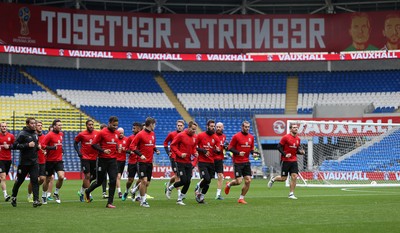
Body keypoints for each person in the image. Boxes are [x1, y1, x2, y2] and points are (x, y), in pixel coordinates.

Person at [84, 116, 120, 208]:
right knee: (99, 182)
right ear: (109, 123)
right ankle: (87, 191)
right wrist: (103, 150)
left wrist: (118, 148)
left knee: (113, 180)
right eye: (113, 125)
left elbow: (115, 144)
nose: (115, 127)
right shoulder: (102, 133)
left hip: (113, 160)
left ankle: (109, 203)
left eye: (116, 125)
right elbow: (93, 144)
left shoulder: (117, 133)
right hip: (102, 160)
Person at [224, 121, 259, 204]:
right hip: (237, 162)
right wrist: (238, 153)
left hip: (246, 162)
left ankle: (241, 198)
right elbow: (229, 148)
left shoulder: (251, 137)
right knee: (238, 181)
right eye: (245, 127)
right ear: (242, 127)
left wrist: (253, 153)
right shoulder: (236, 136)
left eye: (248, 127)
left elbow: (251, 149)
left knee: (248, 181)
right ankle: (229, 185)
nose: (247, 128)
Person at [268, 123, 305, 200]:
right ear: (290, 129)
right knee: (283, 178)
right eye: (294, 127)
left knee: (294, 176)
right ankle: (273, 179)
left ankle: (291, 194)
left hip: (294, 160)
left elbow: (296, 151)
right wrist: (284, 154)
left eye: (297, 127)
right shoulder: (285, 137)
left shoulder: (298, 139)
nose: (296, 129)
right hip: (285, 160)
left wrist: (300, 152)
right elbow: (278, 147)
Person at [10, 117, 42, 207]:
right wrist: (27, 145)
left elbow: (34, 146)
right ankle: (14, 196)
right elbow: (15, 146)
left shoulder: (35, 134)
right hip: (24, 163)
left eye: (35, 123)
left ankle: (36, 200)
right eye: (32, 123)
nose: (34, 125)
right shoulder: (22, 134)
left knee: (35, 180)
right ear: (27, 124)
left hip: (34, 162)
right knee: (20, 180)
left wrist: (37, 147)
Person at [166, 121, 198, 206]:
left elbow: (194, 147)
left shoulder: (195, 137)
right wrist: (180, 154)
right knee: (183, 180)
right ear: (188, 127)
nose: (194, 131)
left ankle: (180, 199)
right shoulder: (181, 135)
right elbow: (173, 145)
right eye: (193, 129)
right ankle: (170, 188)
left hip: (189, 162)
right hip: (180, 161)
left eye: (195, 130)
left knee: (188, 182)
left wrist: (195, 152)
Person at [129, 117, 159, 208]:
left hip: (150, 162)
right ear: (151, 124)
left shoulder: (153, 134)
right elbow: (132, 146)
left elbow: (152, 145)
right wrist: (140, 154)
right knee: (144, 181)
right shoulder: (140, 134)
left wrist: (156, 150)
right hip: (141, 161)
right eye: (154, 124)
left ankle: (134, 190)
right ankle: (143, 201)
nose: (155, 126)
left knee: (147, 183)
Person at [194, 120, 220, 204]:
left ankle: (201, 197)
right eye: (211, 126)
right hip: (202, 161)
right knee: (206, 178)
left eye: (214, 126)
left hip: (211, 162)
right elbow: (194, 147)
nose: (213, 128)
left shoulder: (216, 138)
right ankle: (198, 186)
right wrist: (203, 151)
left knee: (209, 181)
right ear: (207, 126)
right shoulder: (201, 136)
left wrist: (217, 150)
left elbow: (217, 150)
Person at [41, 119, 65, 204]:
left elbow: (59, 145)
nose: (60, 127)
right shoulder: (49, 135)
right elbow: (42, 145)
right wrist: (51, 148)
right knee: (47, 179)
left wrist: (62, 150)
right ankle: (44, 195)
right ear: (54, 126)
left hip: (59, 160)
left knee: (61, 177)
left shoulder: (61, 134)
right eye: (58, 125)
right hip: (50, 161)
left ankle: (56, 193)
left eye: (61, 125)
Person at [74, 120, 98, 202]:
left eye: (92, 124)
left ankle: (81, 191)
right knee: (87, 176)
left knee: (94, 176)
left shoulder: (97, 133)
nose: (91, 126)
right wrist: (78, 152)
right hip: (85, 157)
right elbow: (75, 143)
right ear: (86, 125)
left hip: (94, 158)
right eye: (89, 125)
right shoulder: (82, 134)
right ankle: (88, 195)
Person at [163, 120, 185, 199]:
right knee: (177, 175)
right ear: (176, 126)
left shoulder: (185, 135)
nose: (179, 126)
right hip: (174, 157)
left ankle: (168, 183)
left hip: (182, 158)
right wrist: (168, 152)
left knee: (179, 175)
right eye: (178, 125)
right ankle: (179, 193)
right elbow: (165, 142)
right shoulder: (172, 134)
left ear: (183, 126)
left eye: (181, 125)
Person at [121, 122, 142, 201]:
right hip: (132, 161)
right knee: (130, 180)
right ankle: (126, 191)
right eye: (132, 128)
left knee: (141, 179)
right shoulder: (130, 138)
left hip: (140, 161)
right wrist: (130, 152)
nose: (132, 130)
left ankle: (137, 193)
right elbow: (125, 148)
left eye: (134, 128)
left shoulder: (142, 137)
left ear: (139, 129)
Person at [27, 120, 47, 203]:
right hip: (33, 161)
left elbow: (46, 146)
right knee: (34, 179)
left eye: (41, 125)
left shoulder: (45, 137)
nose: (40, 126)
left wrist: (45, 151)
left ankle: (34, 189)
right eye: (38, 125)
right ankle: (29, 195)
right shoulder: (31, 136)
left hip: (42, 161)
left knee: (42, 179)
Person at [0, 122, 15, 202]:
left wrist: (9, 146)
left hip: (8, 160)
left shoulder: (11, 136)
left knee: (2, 178)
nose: (4, 127)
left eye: (5, 126)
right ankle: (5, 195)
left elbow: (15, 145)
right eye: (2, 126)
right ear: (0, 127)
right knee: (3, 177)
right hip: (0, 159)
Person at [214, 122, 227, 200]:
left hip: (219, 159)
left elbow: (223, 147)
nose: (218, 128)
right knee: (207, 178)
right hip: (211, 159)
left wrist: (225, 147)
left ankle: (218, 194)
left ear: (223, 128)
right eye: (217, 127)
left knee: (220, 176)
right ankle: (199, 186)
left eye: (219, 127)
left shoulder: (224, 137)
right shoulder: (212, 136)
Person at [116, 127, 128, 198]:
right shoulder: (115, 139)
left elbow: (129, 149)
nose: (121, 134)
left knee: (118, 176)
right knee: (118, 176)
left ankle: (113, 185)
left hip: (123, 160)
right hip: (116, 160)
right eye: (120, 133)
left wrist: (125, 149)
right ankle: (119, 191)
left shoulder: (126, 139)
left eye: (122, 133)